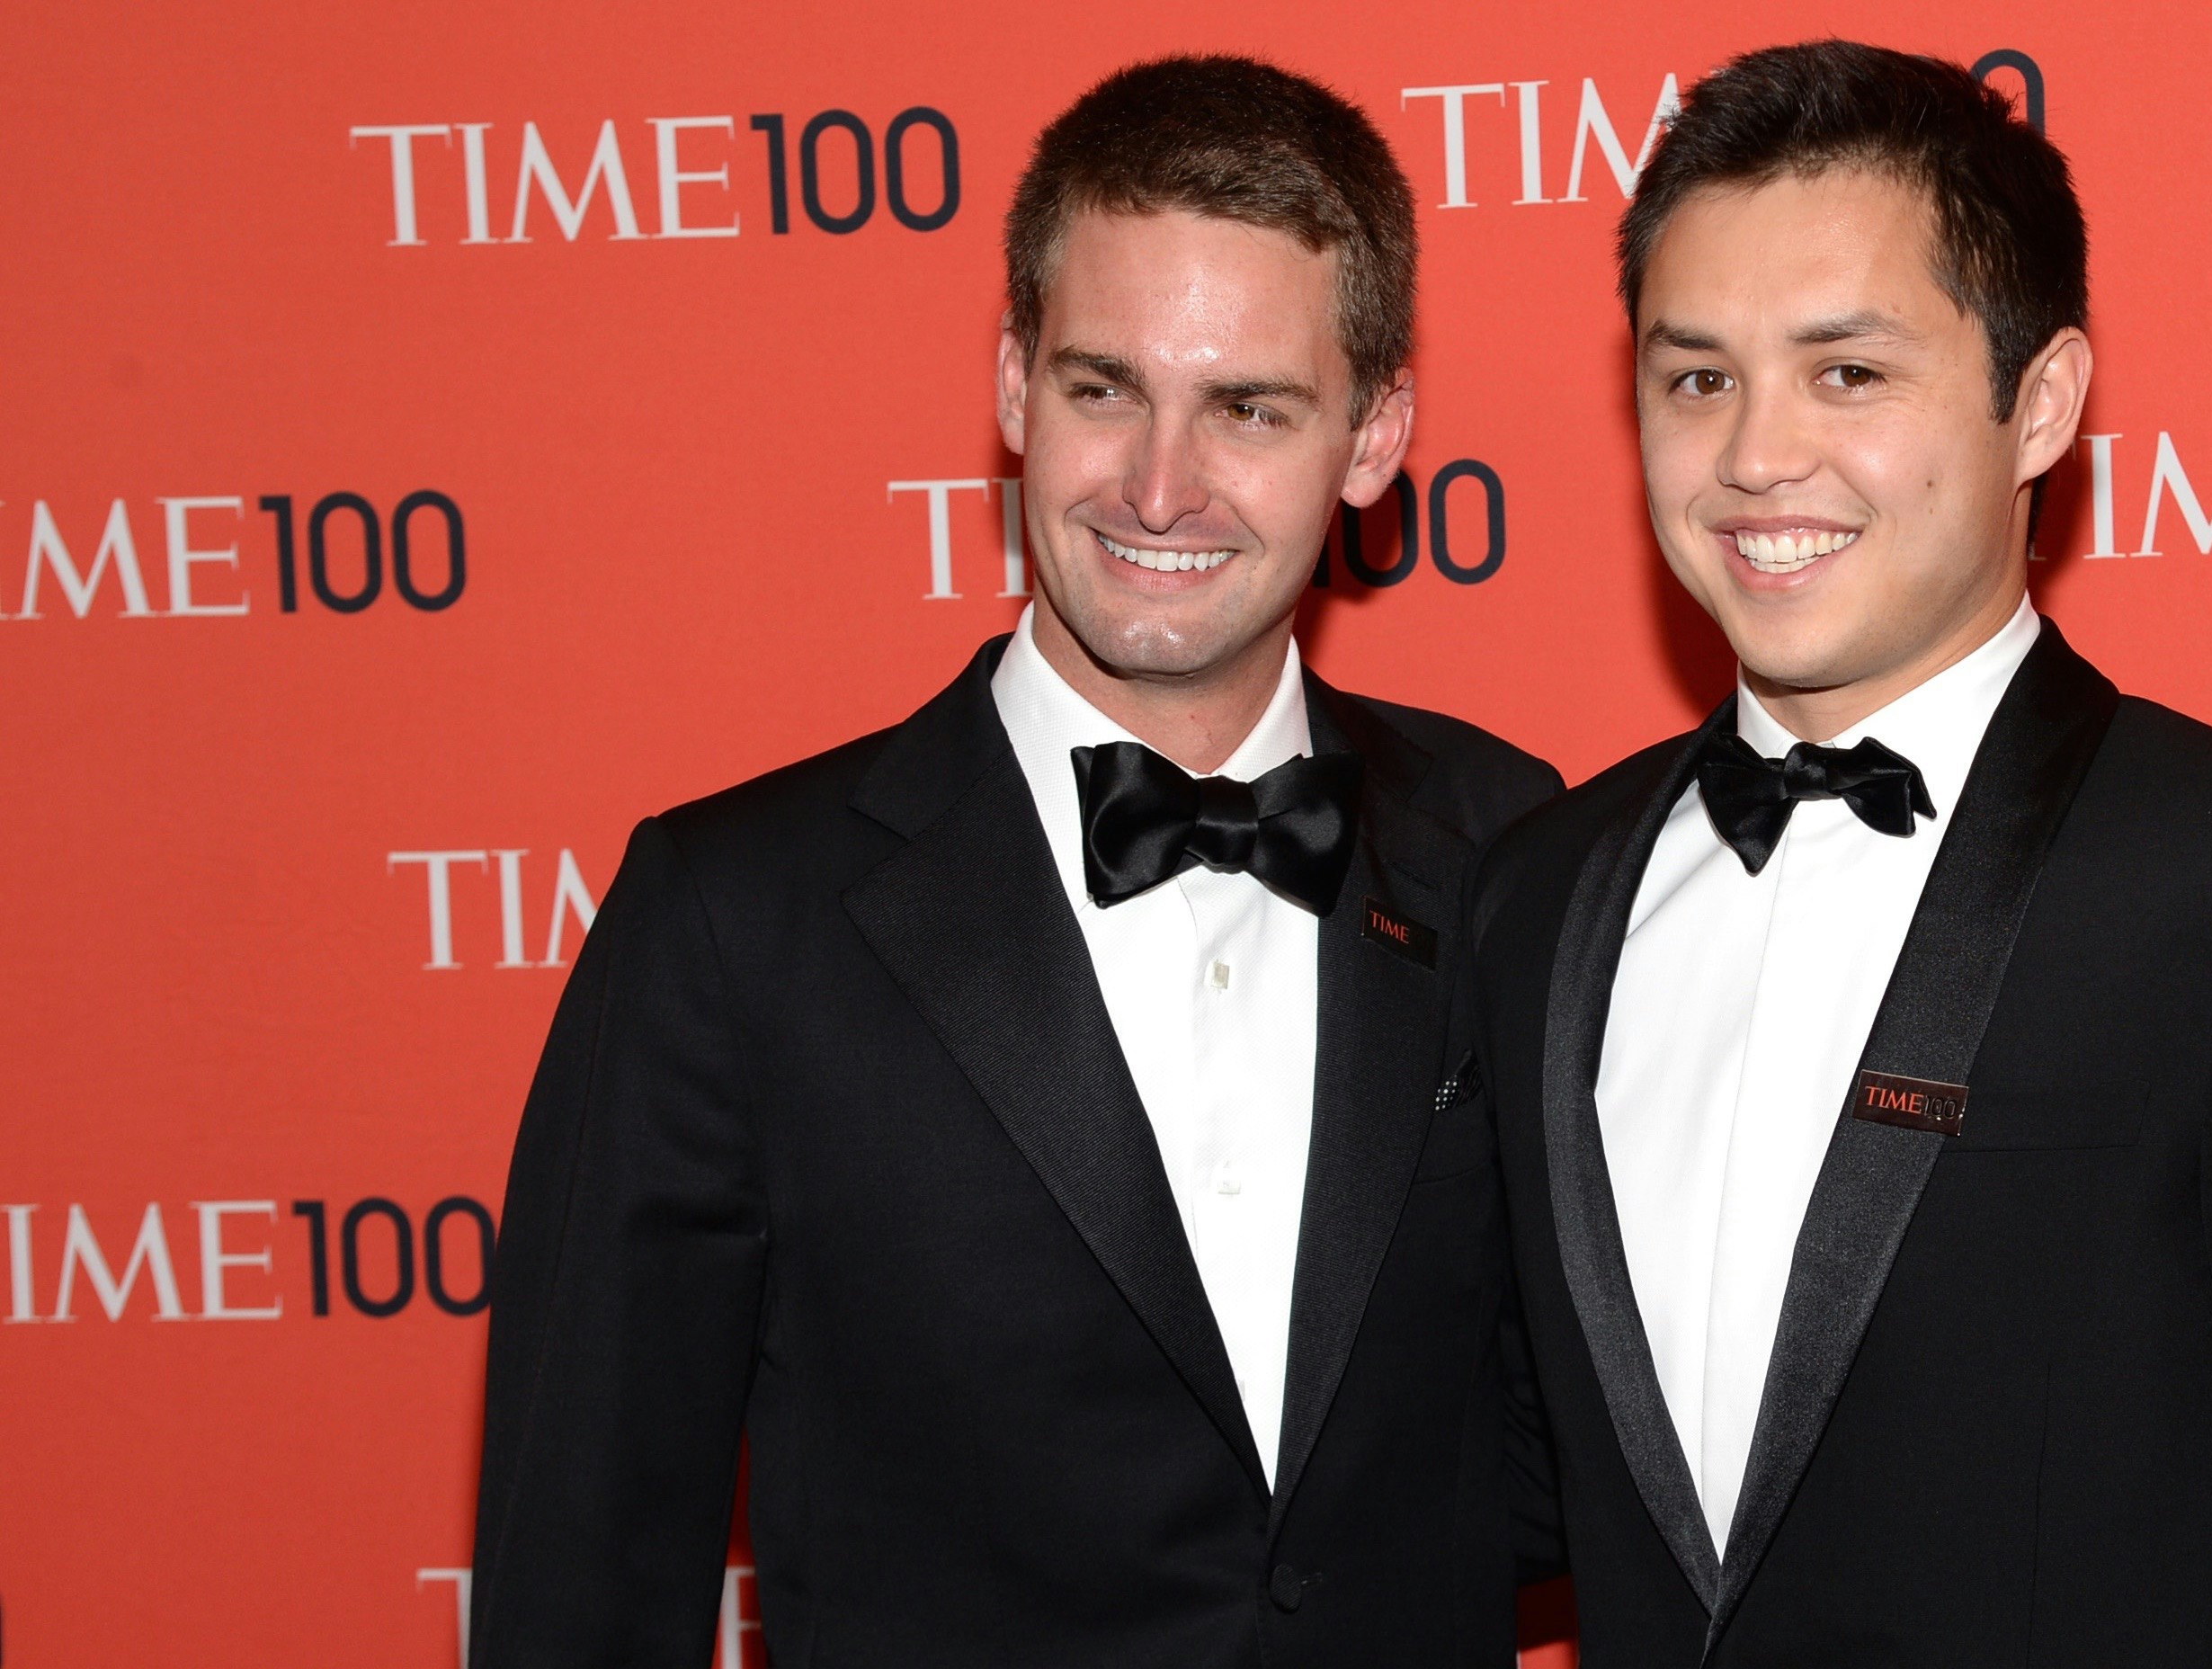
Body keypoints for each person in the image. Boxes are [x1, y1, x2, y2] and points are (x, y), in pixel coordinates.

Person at [1467, 40, 2212, 1666]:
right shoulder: (1544, 893)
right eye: (1696, 376)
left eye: (1848, 373)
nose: (1757, 457)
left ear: (2040, 401)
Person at [468, 56, 1559, 1667]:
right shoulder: (734, 922)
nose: (1160, 486)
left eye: (1249, 407)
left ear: (1375, 433)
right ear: (1009, 387)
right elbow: (586, 1574)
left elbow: (1578, 1443)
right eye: (1102, 387)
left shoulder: (1512, 846)